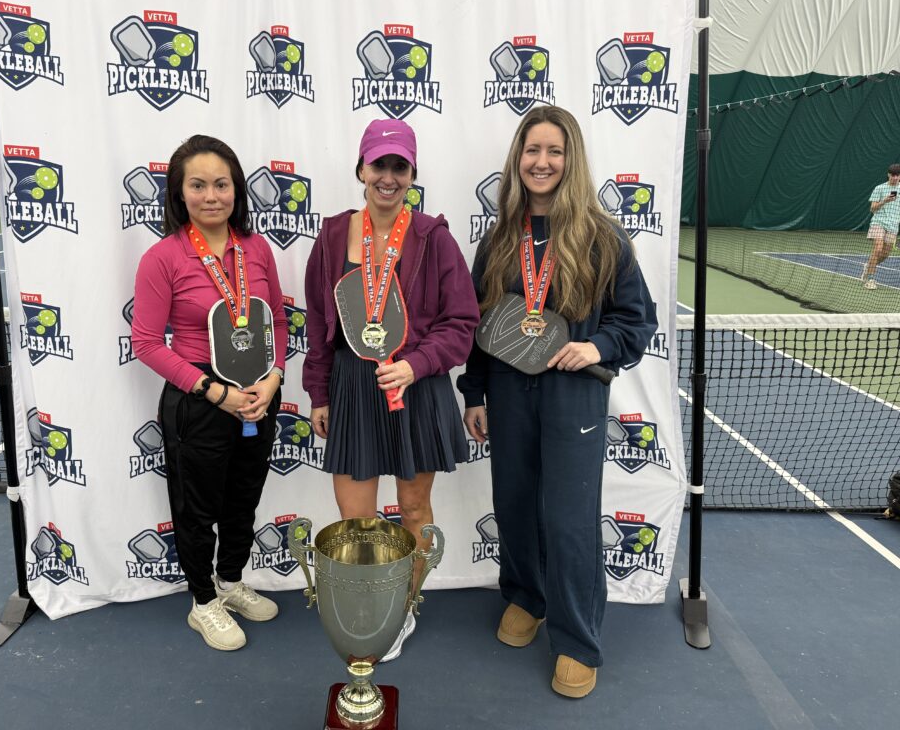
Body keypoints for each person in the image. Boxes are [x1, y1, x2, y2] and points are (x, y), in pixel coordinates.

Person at [457, 106, 657, 698]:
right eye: (532, 150)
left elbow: (636, 321)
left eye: (554, 151)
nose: (541, 162)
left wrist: (594, 346)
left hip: (573, 399)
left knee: (569, 520)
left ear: (572, 161)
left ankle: (576, 639)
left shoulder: (602, 236)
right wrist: (475, 393)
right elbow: (477, 326)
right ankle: (526, 595)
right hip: (509, 395)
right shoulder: (498, 240)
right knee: (514, 503)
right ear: (517, 160)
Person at [302, 118, 479, 661]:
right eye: (379, 164)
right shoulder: (333, 236)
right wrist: (319, 392)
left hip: (415, 386)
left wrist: (417, 365)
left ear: (412, 175)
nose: (388, 176)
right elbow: (317, 322)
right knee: (355, 520)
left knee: (413, 508)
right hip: (354, 387)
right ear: (361, 169)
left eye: (399, 166)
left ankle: (403, 607)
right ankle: (365, 606)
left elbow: (462, 324)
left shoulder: (434, 238)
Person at [132, 135, 288, 651]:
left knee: (242, 497)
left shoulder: (257, 248)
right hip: (199, 398)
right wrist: (212, 391)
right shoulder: (163, 257)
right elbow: (148, 343)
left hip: (257, 396)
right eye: (197, 185)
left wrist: (274, 378)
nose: (211, 195)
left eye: (221, 184)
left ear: (236, 190)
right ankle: (203, 602)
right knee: (197, 508)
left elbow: (278, 324)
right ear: (180, 193)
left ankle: (231, 581)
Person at [860, 163, 900, 290]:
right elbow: (872, 208)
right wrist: (884, 201)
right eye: (893, 175)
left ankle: (869, 266)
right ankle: (870, 279)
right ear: (888, 175)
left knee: (885, 254)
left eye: (897, 175)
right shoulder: (879, 188)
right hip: (878, 222)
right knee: (877, 249)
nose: (895, 178)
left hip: (893, 225)